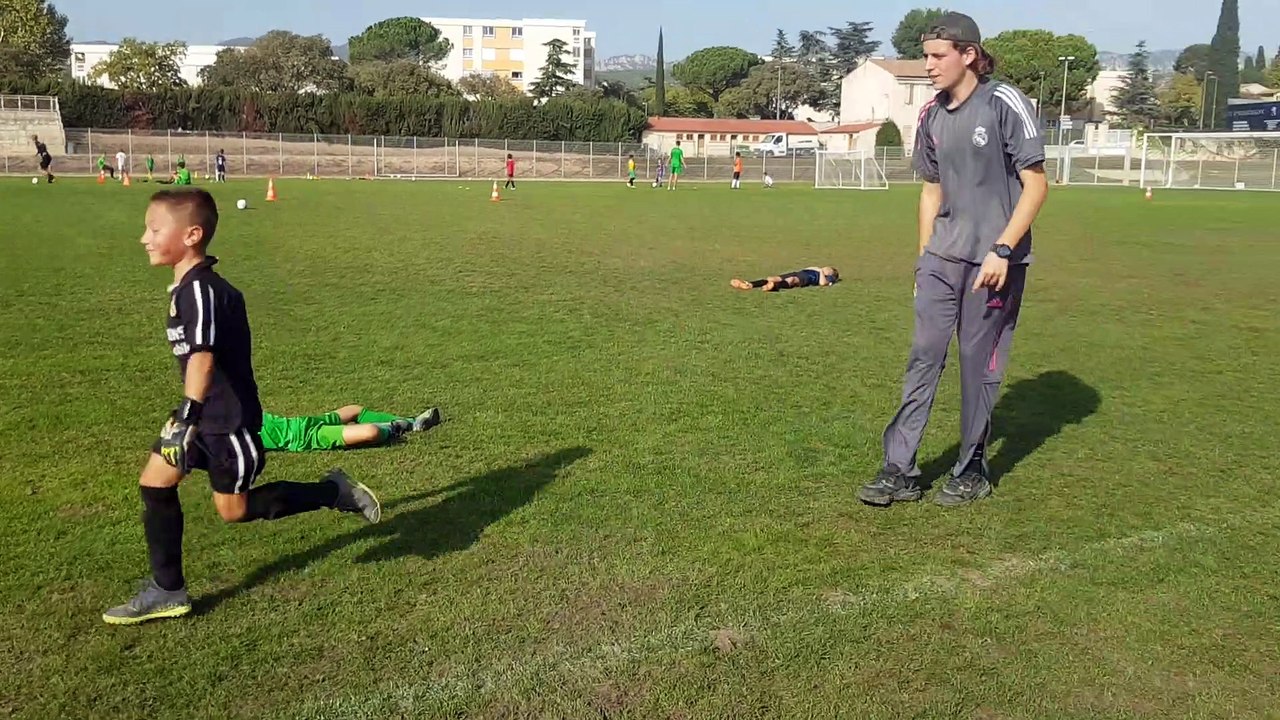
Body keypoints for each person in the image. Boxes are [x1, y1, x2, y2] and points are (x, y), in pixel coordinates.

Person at [103, 189, 382, 626]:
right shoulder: (188, 287)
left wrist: (188, 418)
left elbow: (203, 358)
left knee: (233, 511)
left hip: (225, 424)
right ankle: (168, 590)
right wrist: (186, 416)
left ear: (192, 234)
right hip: (197, 417)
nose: (144, 238)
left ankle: (333, 492)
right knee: (155, 484)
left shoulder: (204, 291)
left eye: (155, 229)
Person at [857, 11, 1048, 508]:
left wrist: (1003, 248)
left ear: (969, 55)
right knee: (924, 356)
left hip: (993, 262)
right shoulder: (931, 116)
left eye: (937, 55)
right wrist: (923, 259)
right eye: (925, 56)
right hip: (942, 258)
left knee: (975, 365)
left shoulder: (1004, 102)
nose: (928, 65)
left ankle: (971, 468)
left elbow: (1037, 183)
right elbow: (929, 190)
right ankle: (898, 470)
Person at [260, 405, 442, 453]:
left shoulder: (240, 413)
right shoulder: (237, 436)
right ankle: (395, 427)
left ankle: (413, 422)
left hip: (305, 422)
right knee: (371, 432)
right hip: (307, 437)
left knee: (354, 410)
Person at [731, 266, 839, 292]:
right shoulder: (817, 269)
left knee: (792, 280)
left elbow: (822, 283)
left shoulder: (828, 278)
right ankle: (749, 284)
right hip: (800, 272)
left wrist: (820, 271)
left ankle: (774, 287)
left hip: (805, 278)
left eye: (828, 269)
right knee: (772, 278)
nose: (825, 268)